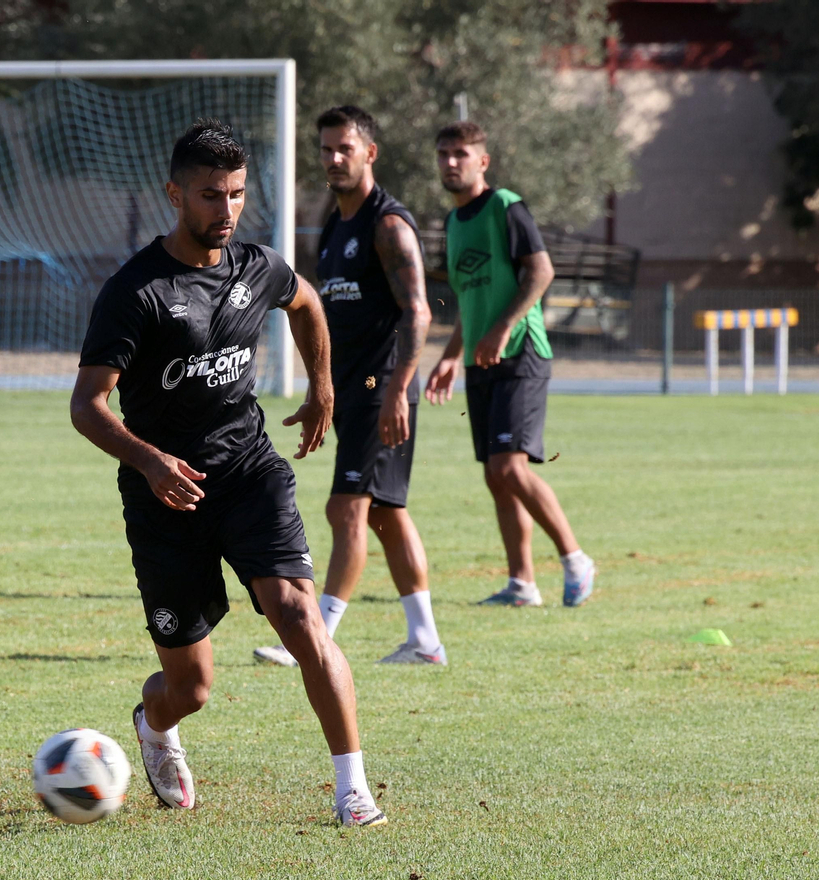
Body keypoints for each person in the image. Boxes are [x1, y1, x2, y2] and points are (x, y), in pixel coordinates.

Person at [70, 120, 385, 826]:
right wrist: (150, 461)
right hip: (164, 500)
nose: (227, 211)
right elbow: (87, 406)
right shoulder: (136, 292)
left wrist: (322, 386)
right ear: (175, 195)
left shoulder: (256, 266)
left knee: (302, 616)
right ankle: (154, 726)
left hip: (248, 471)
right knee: (192, 687)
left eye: (238, 195)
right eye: (212, 196)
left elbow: (305, 302)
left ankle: (352, 790)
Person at [255, 106, 446, 668]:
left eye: (345, 148)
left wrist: (397, 390)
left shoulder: (387, 225)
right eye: (326, 149)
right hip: (353, 387)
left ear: (370, 154)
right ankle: (425, 641)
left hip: (382, 388)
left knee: (346, 509)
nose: (333, 159)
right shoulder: (334, 222)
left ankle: (315, 637)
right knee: (387, 514)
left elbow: (418, 313)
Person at [424, 121, 596, 608]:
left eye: (461, 153)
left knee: (510, 468)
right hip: (482, 361)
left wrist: (501, 329)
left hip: (521, 350)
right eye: (443, 154)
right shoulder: (454, 224)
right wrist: (451, 357)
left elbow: (541, 271)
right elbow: (467, 297)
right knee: (495, 474)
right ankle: (522, 584)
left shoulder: (505, 206)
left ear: (483, 161)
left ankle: (576, 560)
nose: (451, 162)